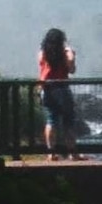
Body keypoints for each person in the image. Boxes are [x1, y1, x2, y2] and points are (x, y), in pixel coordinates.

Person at [37, 26, 79, 155]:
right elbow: (71, 69)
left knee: (51, 119)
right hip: (61, 88)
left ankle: (51, 153)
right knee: (68, 120)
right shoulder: (65, 53)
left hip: (46, 88)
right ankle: (72, 152)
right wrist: (71, 53)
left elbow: (41, 64)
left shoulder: (42, 52)